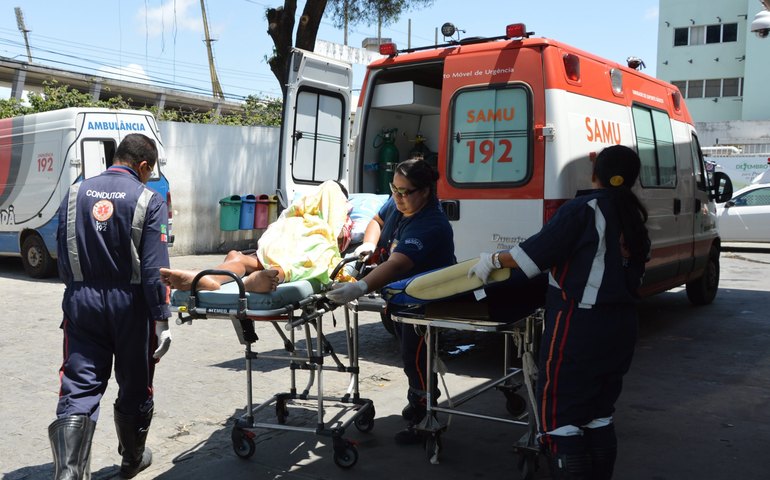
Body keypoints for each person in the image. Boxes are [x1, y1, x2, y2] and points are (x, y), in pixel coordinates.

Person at [467, 145, 650, 479]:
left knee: (560, 416)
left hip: (580, 325)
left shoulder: (583, 208)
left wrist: (492, 260)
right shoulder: (634, 214)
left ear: (595, 174)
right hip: (622, 326)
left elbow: (533, 254)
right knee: (598, 414)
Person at [48, 133, 172, 479]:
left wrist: (79, 291)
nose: (149, 177)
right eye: (150, 171)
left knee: (79, 384)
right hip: (131, 306)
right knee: (135, 384)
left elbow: (62, 253)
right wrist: (161, 318)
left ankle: (69, 473)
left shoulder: (75, 193)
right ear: (143, 165)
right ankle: (132, 458)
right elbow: (153, 270)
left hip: (81, 302)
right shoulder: (149, 199)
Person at [326, 158, 456, 445]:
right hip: (401, 299)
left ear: (425, 191)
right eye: (393, 189)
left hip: (424, 303)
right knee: (409, 354)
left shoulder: (431, 223)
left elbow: (398, 264)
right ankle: (418, 400)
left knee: (417, 358)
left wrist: (359, 287)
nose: (397, 197)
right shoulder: (400, 204)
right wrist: (369, 245)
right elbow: (378, 219)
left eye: (404, 192)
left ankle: (426, 417)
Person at [159, 180, 353, 292]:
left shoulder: (302, 203)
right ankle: (260, 279)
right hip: (307, 238)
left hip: (278, 236)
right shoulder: (338, 200)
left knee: (245, 260)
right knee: (302, 262)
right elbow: (337, 233)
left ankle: (211, 277)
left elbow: (284, 218)